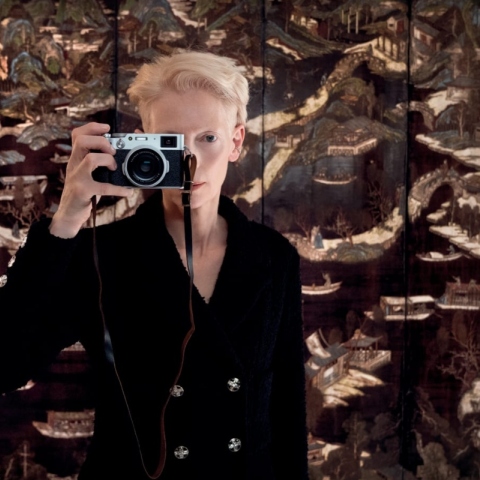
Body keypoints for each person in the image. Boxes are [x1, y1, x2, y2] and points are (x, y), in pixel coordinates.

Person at [0, 50, 308, 479]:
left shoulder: (274, 257)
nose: (190, 159)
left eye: (208, 137)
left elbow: (287, 405)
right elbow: (7, 364)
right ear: (144, 143)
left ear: (237, 142)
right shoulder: (98, 254)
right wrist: (67, 215)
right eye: (171, 141)